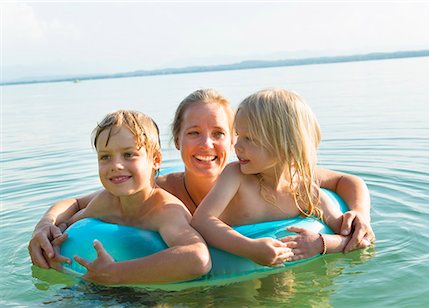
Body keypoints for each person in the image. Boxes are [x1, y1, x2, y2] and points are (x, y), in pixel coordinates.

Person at [29, 89, 374, 272]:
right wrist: (46, 224)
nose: (207, 144)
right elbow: (77, 203)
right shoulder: (160, 190)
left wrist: (359, 215)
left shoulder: (273, 175)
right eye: (194, 133)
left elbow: (345, 181)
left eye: (220, 133)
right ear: (176, 140)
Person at [42, 110, 211, 284]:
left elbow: (198, 259)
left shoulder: (165, 211)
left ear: (156, 160)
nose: (116, 165)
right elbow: (67, 224)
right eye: (105, 157)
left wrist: (115, 273)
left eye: (129, 154)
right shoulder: (106, 202)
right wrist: (53, 242)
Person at [192, 88, 357, 265]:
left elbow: (352, 236)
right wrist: (250, 248)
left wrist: (321, 243)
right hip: (233, 264)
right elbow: (201, 221)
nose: (237, 145)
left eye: (250, 138)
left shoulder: (304, 192)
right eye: (239, 135)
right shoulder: (235, 177)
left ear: (286, 145)